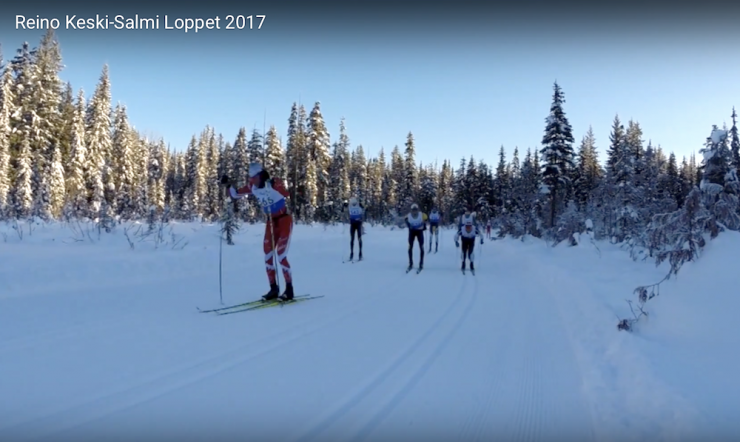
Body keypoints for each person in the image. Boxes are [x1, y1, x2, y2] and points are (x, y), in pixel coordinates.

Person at [221, 162, 295, 302]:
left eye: (253, 177)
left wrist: (277, 185)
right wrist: (228, 185)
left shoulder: (272, 184)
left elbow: (286, 194)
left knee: (281, 255)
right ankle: (273, 288)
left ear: (260, 176)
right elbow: (236, 195)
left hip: (284, 220)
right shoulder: (253, 187)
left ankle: (289, 290)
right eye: (250, 178)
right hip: (271, 222)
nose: (251, 180)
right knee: (267, 255)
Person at [455, 208, 483, 273]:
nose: (468, 228)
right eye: (467, 226)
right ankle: (463, 263)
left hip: (471, 240)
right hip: (464, 239)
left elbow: (480, 234)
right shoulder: (462, 228)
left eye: (469, 226)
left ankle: (471, 264)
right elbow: (456, 235)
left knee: (471, 252)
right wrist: (456, 241)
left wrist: (481, 239)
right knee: (463, 252)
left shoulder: (474, 228)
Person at [404, 203, 427, 271]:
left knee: (421, 247)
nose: (414, 212)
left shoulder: (421, 214)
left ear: (417, 210)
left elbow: (426, 218)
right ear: (411, 210)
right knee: (410, 247)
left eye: (415, 210)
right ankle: (411, 263)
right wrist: (408, 224)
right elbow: (405, 219)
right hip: (412, 232)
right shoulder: (408, 216)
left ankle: (421, 263)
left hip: (419, 232)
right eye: (413, 210)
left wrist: (424, 223)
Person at [343, 196, 364, 261]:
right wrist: (344, 205)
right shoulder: (350, 206)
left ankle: (360, 253)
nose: (353, 204)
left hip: (358, 224)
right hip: (354, 224)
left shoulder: (359, 206)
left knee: (358, 239)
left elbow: (364, 209)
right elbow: (343, 210)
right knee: (353, 239)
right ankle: (352, 253)